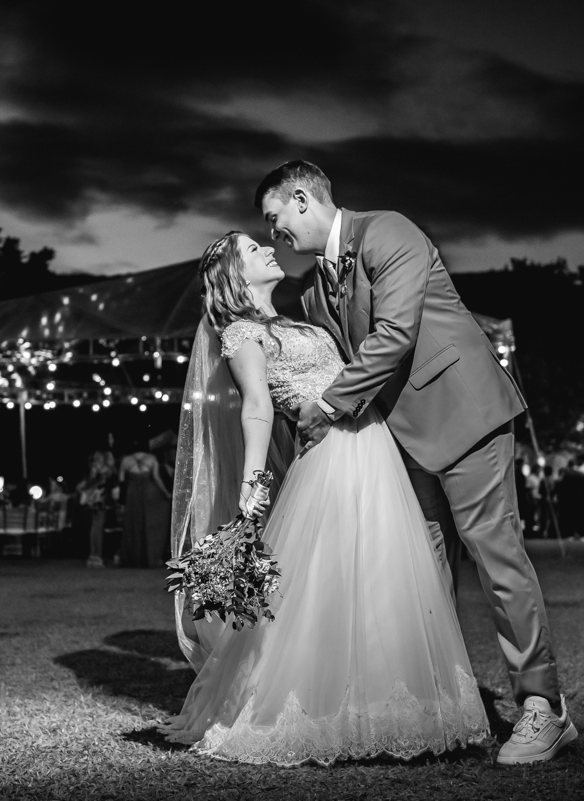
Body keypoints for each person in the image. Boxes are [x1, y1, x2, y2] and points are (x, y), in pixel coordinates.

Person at [257, 161, 575, 764]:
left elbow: (396, 333)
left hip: (465, 415)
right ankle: (440, 702)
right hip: (399, 441)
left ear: (302, 199)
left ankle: (544, 707)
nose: (277, 235)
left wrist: (328, 405)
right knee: (422, 571)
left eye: (275, 220)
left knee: (494, 555)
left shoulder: (389, 232)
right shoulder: (311, 289)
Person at [160, 231, 490, 765]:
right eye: (252, 249)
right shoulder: (242, 332)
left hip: (374, 447)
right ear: (234, 276)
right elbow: (257, 410)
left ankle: (387, 699)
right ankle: (319, 704)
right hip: (332, 460)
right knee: (329, 580)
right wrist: (252, 491)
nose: (268, 248)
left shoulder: (299, 322)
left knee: (381, 571)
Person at [117, 435, 171, 568]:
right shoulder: (151, 458)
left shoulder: (126, 460)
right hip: (148, 493)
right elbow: (156, 478)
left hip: (132, 493)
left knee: (132, 524)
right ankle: (149, 558)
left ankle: (132, 559)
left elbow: (121, 480)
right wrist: (166, 494)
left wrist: (121, 501)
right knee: (149, 523)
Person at [77, 440, 116, 568]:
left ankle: (93, 555)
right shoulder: (105, 463)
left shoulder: (92, 463)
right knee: (98, 526)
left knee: (94, 526)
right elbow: (107, 477)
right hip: (100, 496)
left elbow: (87, 481)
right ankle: (96, 556)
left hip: (92, 496)